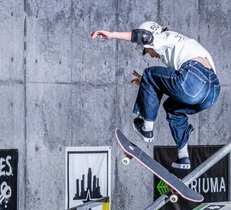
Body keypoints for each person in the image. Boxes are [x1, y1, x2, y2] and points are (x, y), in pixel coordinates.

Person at [91, 22, 220, 170]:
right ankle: (183, 156)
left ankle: (146, 128)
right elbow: (171, 83)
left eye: (146, 51)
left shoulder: (164, 37)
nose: (150, 55)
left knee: (148, 73)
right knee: (172, 108)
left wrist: (112, 35)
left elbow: (144, 36)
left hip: (194, 79)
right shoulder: (180, 45)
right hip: (212, 91)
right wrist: (146, 82)